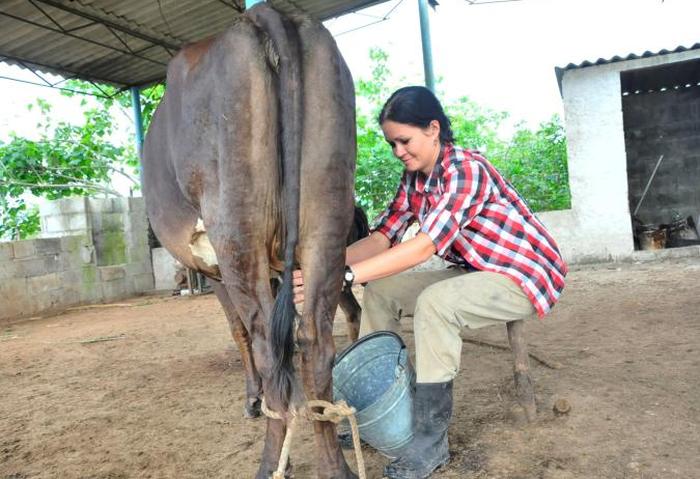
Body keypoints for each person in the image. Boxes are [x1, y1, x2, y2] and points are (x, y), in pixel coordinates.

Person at [294, 85, 567, 479]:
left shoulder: (465, 170)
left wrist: (346, 276)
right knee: (382, 290)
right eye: (392, 144)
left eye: (404, 140)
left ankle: (430, 441)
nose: (398, 151)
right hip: (476, 269)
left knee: (437, 303)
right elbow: (382, 237)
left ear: (433, 129)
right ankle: (378, 409)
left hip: (525, 275)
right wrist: (325, 268)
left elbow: (424, 246)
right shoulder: (414, 180)